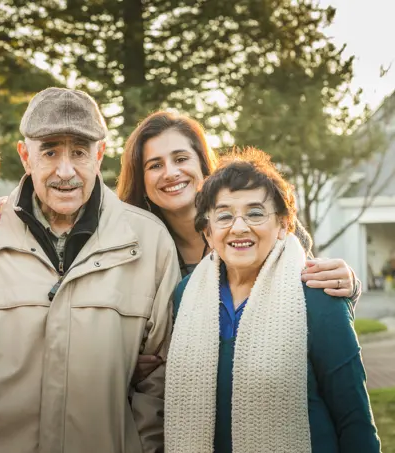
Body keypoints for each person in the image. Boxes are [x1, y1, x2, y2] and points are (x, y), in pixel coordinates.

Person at [0, 87, 180, 453]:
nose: (65, 171)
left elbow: (161, 378)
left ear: (99, 155)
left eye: (79, 152)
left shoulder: (149, 242)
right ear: (26, 156)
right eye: (50, 151)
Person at [164, 148, 381, 453]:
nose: (240, 227)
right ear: (208, 232)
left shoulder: (317, 292)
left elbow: (354, 419)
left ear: (283, 224)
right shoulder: (187, 294)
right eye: (224, 215)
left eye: (255, 213)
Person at [116, 111, 363, 377]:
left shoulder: (265, 229)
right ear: (141, 182)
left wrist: (348, 284)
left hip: (272, 380)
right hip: (172, 397)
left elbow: (308, 298)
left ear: (202, 165)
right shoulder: (134, 249)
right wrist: (123, 360)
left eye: (180, 159)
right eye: (155, 165)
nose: (171, 173)